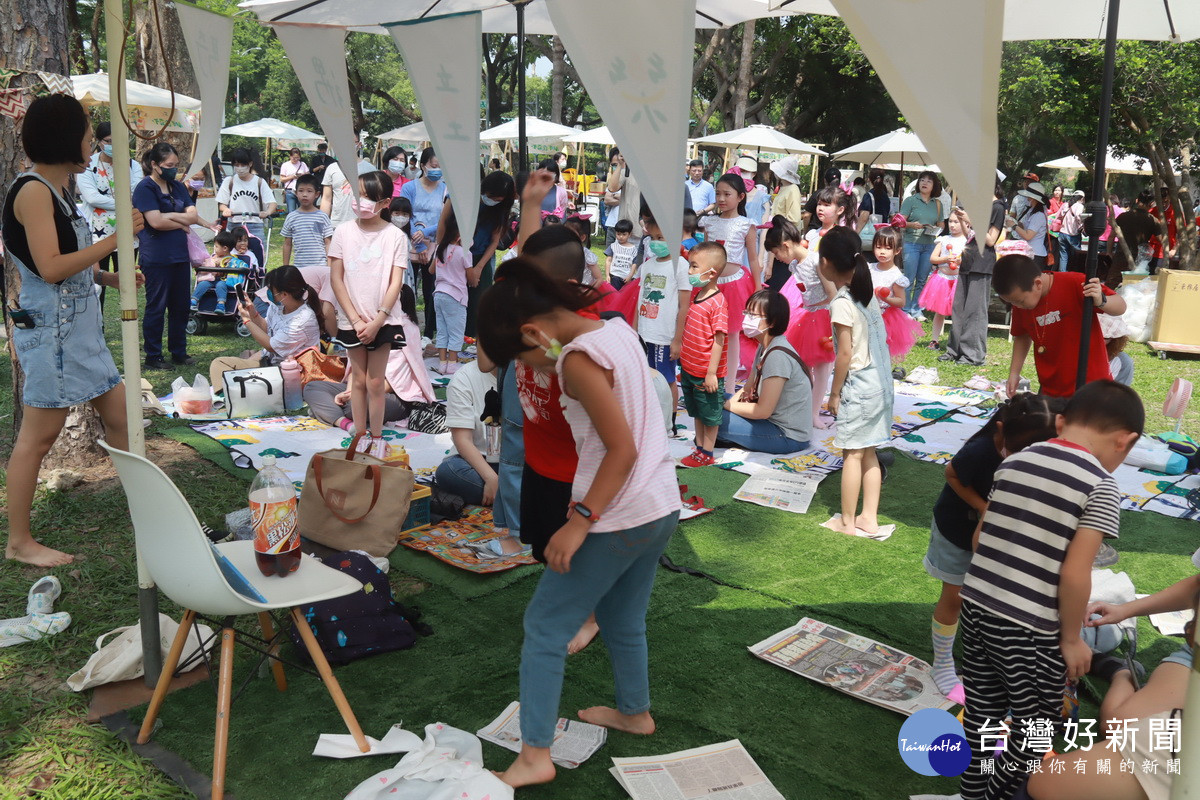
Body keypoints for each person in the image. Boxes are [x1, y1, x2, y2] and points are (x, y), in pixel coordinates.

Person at [477, 260, 679, 791]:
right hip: (659, 505)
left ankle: (534, 754)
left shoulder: (574, 361)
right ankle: (635, 713)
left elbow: (622, 448)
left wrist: (581, 521)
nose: (532, 372)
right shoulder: (614, 327)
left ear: (532, 334)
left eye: (524, 360)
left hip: (616, 517)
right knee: (622, 617)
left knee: (545, 627)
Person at [958, 380, 1143, 800]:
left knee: (983, 712)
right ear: (1125, 441)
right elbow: (1077, 574)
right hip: (1030, 627)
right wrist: (1072, 639)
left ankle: (972, 790)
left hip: (977, 606)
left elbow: (979, 540)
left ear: (1061, 422)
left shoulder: (1014, 460)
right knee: (1035, 728)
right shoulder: (1100, 485)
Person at [2, 95, 145, 567]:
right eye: (87, 134)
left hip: (82, 333)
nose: (92, 142)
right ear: (67, 138)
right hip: (55, 338)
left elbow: (69, 265)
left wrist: (109, 276)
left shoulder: (61, 189)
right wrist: (116, 239)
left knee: (123, 418)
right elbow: (50, 267)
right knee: (38, 439)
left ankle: (145, 510)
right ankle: (19, 541)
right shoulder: (34, 191)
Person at [921, 394, 1058, 702]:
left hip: (998, 535)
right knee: (954, 597)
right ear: (1000, 429)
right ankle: (942, 663)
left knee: (989, 601)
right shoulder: (980, 450)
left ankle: (985, 662)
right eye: (1016, 451)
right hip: (957, 529)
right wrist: (984, 508)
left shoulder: (1036, 449)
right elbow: (951, 474)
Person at [328, 171, 410, 460]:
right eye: (358, 194)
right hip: (351, 320)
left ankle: (377, 436)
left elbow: (395, 282)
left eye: (368, 196)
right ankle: (359, 435)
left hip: (383, 320)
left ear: (384, 202)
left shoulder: (396, 237)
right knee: (358, 380)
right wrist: (355, 320)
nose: (360, 201)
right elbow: (336, 278)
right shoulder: (342, 232)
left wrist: (377, 321)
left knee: (377, 381)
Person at [824, 226, 893, 537]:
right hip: (881, 383)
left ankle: (849, 522)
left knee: (851, 452)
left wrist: (834, 394)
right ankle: (869, 518)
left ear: (826, 263)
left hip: (860, 387)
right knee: (868, 451)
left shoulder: (842, 301)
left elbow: (844, 355)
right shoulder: (865, 292)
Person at [994, 253, 1127, 398]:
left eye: (1020, 301)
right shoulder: (1021, 304)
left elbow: (1121, 307)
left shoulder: (1075, 283)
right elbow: (1022, 335)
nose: (1017, 306)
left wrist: (1102, 300)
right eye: (1011, 302)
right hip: (1051, 386)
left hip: (1089, 384)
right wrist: (1014, 372)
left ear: (1038, 284)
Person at [304, 285, 435, 428]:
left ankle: (327, 412)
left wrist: (354, 395)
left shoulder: (406, 328)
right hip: (360, 387)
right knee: (312, 387)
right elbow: (355, 367)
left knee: (353, 408)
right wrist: (349, 392)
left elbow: (397, 380)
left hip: (392, 394)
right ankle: (343, 422)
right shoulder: (364, 325)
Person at [133, 142, 202, 369]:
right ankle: (153, 356)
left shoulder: (177, 186)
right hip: (156, 258)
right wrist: (179, 220)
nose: (174, 169)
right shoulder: (145, 188)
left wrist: (171, 218)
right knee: (156, 306)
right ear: (155, 165)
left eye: (176, 165)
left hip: (180, 257)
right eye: (169, 165)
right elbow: (155, 222)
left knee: (180, 307)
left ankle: (178, 352)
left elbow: (192, 215)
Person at [718, 290, 812, 453]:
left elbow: (762, 411)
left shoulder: (777, 356)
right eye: (746, 312)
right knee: (712, 399)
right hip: (769, 423)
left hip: (787, 436)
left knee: (711, 414)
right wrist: (726, 403)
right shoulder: (765, 345)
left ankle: (721, 435)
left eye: (753, 315)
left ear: (772, 322)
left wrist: (725, 406)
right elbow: (747, 389)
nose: (747, 319)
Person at [209, 265, 321, 391]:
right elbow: (267, 328)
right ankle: (232, 392)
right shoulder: (278, 306)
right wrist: (253, 313)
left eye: (270, 289)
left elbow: (271, 346)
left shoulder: (302, 319)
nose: (268, 292)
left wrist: (247, 321)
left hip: (288, 374)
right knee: (240, 360)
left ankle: (223, 398)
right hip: (270, 363)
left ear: (284, 294)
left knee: (220, 364)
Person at [699, 172, 760, 383]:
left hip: (735, 285)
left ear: (740, 197)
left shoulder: (746, 224)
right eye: (718, 194)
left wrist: (758, 286)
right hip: (712, 284)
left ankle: (730, 383)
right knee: (710, 332)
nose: (721, 199)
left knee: (732, 334)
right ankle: (709, 374)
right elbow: (705, 255)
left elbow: (753, 258)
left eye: (727, 194)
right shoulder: (709, 222)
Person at [78, 120, 143, 309]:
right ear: (99, 142)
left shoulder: (132, 165)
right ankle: (98, 327)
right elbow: (91, 198)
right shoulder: (89, 165)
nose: (114, 146)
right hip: (97, 236)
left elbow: (136, 193)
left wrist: (120, 202)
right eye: (109, 141)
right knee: (97, 285)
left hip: (127, 234)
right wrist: (124, 203)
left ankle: (129, 324)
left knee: (128, 283)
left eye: (119, 140)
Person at [678, 242, 729, 468]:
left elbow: (719, 340)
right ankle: (699, 447)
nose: (690, 271)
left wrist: (711, 374)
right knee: (697, 412)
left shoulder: (717, 302)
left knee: (709, 415)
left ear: (711, 272)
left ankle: (707, 452)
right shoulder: (698, 295)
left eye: (694, 266)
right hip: (690, 370)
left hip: (705, 373)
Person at [636, 203, 691, 409]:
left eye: (662, 238)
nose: (656, 243)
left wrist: (677, 340)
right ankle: (651, 415)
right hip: (644, 334)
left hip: (664, 337)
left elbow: (684, 307)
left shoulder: (681, 266)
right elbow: (640, 299)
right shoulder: (647, 265)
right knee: (647, 378)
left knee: (666, 379)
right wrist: (634, 331)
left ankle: (670, 421)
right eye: (654, 238)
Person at [942, 187, 1004, 367]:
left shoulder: (998, 207)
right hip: (968, 259)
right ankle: (954, 350)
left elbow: (991, 239)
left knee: (975, 311)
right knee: (959, 308)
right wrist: (963, 220)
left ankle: (973, 355)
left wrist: (972, 219)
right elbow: (970, 234)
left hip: (983, 263)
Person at [434, 349, 503, 508]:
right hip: (477, 460)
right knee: (449, 471)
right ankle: (512, 495)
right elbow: (462, 440)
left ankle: (507, 495)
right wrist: (491, 478)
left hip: (515, 461)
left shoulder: (524, 374)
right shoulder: (464, 378)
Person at [400, 147, 448, 341]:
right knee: (407, 289)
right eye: (433, 166)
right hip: (411, 242)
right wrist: (417, 241)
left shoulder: (446, 188)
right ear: (423, 165)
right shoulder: (409, 187)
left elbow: (447, 217)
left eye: (440, 166)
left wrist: (426, 233)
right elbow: (403, 213)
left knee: (431, 290)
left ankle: (429, 332)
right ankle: (407, 329)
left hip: (435, 244)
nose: (437, 170)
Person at [464, 170, 517, 337]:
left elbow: (494, 241)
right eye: (491, 197)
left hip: (482, 256)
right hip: (460, 254)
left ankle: (474, 336)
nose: (493, 201)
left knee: (479, 301)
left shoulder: (500, 209)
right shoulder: (468, 201)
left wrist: (479, 267)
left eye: (498, 200)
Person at [869, 225, 920, 363]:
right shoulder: (869, 268)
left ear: (897, 251)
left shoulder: (896, 276)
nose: (882, 252)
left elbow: (901, 301)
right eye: (878, 247)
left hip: (885, 318)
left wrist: (886, 297)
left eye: (887, 248)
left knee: (881, 352)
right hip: (867, 314)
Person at [280, 173, 334, 297]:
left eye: (309, 191)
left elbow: (328, 242)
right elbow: (287, 244)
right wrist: (286, 267)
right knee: (301, 296)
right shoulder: (291, 217)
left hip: (320, 265)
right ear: (296, 193)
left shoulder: (322, 217)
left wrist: (329, 267)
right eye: (301, 191)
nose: (305, 194)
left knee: (319, 296)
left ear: (317, 194)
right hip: (299, 266)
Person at [429, 210, 470, 375]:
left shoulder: (439, 248)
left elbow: (431, 270)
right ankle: (452, 364)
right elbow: (471, 275)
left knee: (442, 329)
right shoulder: (464, 252)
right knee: (456, 331)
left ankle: (442, 362)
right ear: (461, 234)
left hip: (438, 294)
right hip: (457, 296)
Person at [899, 170, 943, 317]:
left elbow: (941, 224)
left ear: (934, 185)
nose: (924, 183)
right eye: (922, 180)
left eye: (929, 181)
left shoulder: (937, 204)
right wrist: (912, 225)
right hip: (912, 243)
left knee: (923, 279)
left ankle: (917, 308)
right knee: (909, 278)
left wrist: (936, 228)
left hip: (929, 244)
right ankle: (905, 309)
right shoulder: (910, 201)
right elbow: (899, 222)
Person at [922, 211, 968, 348]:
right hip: (942, 279)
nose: (952, 225)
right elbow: (933, 258)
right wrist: (946, 259)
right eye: (951, 221)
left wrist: (960, 261)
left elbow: (968, 259)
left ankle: (957, 341)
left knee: (958, 312)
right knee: (940, 311)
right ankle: (935, 340)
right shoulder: (943, 239)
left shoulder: (967, 240)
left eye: (956, 222)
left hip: (958, 279)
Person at [216, 147, 275, 244]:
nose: (240, 168)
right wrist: (225, 209)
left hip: (255, 224)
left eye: (243, 165)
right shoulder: (229, 181)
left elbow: (272, 203)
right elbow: (222, 204)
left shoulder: (259, 182)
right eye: (236, 165)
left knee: (257, 253)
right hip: (234, 224)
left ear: (250, 164)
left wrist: (267, 212)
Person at [190, 230, 244, 313]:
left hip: (225, 281)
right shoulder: (214, 257)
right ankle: (194, 301)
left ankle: (221, 304)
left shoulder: (232, 260)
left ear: (225, 248)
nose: (214, 248)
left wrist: (224, 265)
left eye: (216, 246)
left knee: (220, 285)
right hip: (211, 279)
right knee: (203, 284)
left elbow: (234, 269)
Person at [1005, 180, 1050, 268]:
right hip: (1029, 252)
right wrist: (1014, 222)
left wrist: (1014, 226)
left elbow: (1028, 235)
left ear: (1033, 198)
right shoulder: (1031, 211)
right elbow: (1023, 227)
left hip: (1035, 254)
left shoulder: (1038, 215)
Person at [563, 215, 602, 285]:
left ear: (582, 237)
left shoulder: (587, 256)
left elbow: (599, 279)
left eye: (570, 233)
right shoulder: (562, 252)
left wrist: (587, 293)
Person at [803, 166, 843, 230]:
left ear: (825, 180)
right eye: (819, 204)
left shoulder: (818, 194)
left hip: (815, 231)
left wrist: (805, 232)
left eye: (827, 205)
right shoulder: (844, 196)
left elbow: (806, 215)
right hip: (836, 233)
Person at [1057, 188, 1086, 270]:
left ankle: (1062, 275)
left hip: (1062, 233)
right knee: (1076, 257)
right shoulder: (1079, 205)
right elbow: (1078, 216)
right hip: (1072, 235)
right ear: (1082, 198)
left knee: (1063, 256)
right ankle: (1074, 274)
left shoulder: (1067, 204)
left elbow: (1059, 216)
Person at [604, 219, 637, 289]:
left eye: (624, 234)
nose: (621, 237)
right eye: (618, 234)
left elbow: (634, 264)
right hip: (614, 277)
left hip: (627, 278)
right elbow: (608, 261)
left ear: (629, 234)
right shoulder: (613, 246)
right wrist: (607, 275)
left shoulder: (633, 249)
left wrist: (630, 276)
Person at [279, 147, 310, 214]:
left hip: (301, 191)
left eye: (297, 158)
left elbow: (308, 176)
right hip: (290, 191)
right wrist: (292, 177)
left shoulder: (303, 164)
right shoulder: (285, 165)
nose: (296, 160)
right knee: (291, 212)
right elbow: (282, 179)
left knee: (303, 211)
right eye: (294, 158)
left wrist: (302, 175)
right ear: (290, 156)